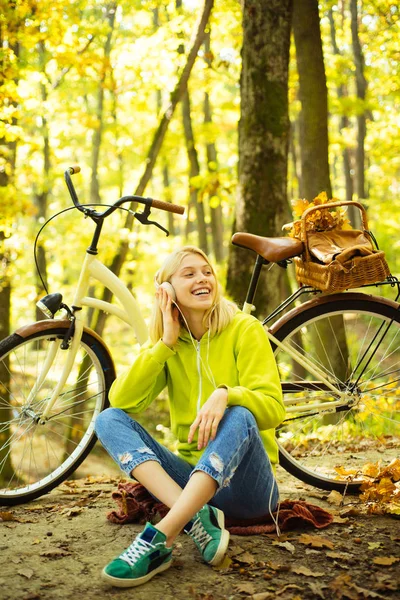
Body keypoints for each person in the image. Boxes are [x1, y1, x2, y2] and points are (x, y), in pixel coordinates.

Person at [95, 245, 285, 588]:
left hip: (249, 489)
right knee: (108, 419)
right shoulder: (170, 345)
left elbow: (274, 409)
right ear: (166, 291)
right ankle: (198, 515)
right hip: (191, 480)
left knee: (239, 413)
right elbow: (121, 399)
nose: (202, 278)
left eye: (207, 271)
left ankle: (160, 538)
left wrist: (226, 394)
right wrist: (165, 342)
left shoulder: (245, 329)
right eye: (189, 273)